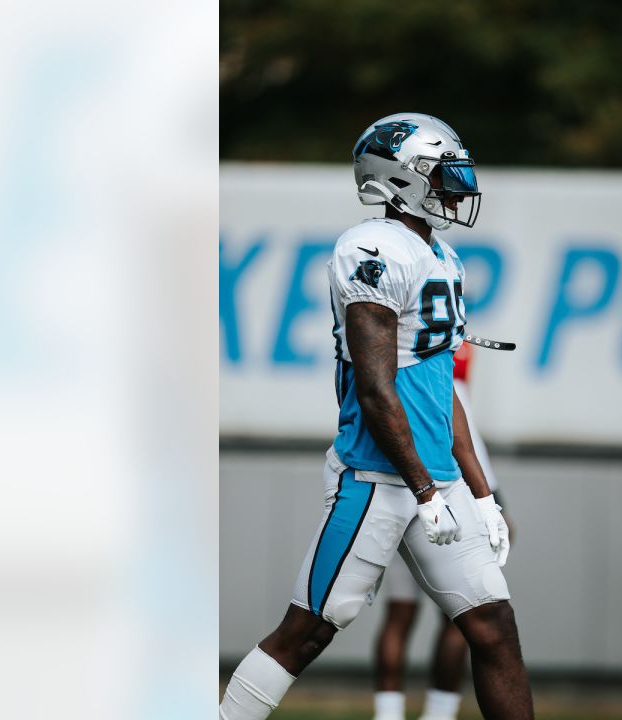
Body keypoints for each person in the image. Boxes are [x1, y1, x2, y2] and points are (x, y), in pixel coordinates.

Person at [219, 113, 532, 720]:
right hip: (375, 478)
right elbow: (375, 388)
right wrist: (421, 488)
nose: (455, 187)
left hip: (433, 480)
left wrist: (478, 492)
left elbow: (443, 391)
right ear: (399, 178)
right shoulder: (371, 249)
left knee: (494, 626)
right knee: (307, 631)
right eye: (441, 174)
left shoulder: (442, 256)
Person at [372, 341, 510, 720]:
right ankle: (438, 712)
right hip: (448, 507)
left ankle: (387, 713)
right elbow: (471, 455)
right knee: (464, 616)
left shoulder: (394, 372)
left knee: (398, 616)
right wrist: (497, 508)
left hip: (400, 500)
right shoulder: (446, 383)